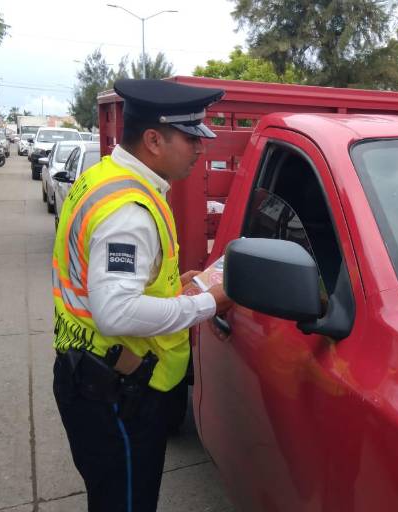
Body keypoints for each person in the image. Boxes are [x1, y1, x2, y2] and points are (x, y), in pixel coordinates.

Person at [51, 78, 232, 512]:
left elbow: (110, 279)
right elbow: (116, 312)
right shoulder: (129, 211)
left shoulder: (104, 177)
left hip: (90, 374)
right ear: (153, 140)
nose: (200, 148)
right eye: (191, 138)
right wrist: (208, 303)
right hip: (116, 394)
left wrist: (173, 284)